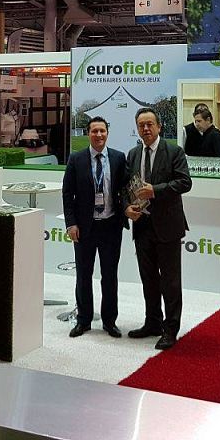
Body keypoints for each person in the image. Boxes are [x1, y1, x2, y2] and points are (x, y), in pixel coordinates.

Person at [125, 107, 192, 351]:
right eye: (141, 125)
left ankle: (170, 329)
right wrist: (127, 208)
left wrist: (155, 190)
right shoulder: (133, 154)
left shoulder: (174, 151)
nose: (145, 129)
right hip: (142, 226)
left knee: (170, 282)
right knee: (149, 279)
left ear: (159, 126)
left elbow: (185, 182)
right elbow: (126, 187)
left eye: (149, 124)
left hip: (168, 226)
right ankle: (152, 322)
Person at [61, 116, 129, 339]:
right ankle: (83, 320)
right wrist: (71, 223)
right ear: (88, 133)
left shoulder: (118, 158)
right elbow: (67, 193)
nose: (99, 135)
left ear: (107, 132)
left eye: (102, 131)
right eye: (94, 131)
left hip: (111, 226)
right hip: (84, 228)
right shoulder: (76, 158)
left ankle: (109, 321)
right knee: (83, 275)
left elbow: (125, 190)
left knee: (110, 276)